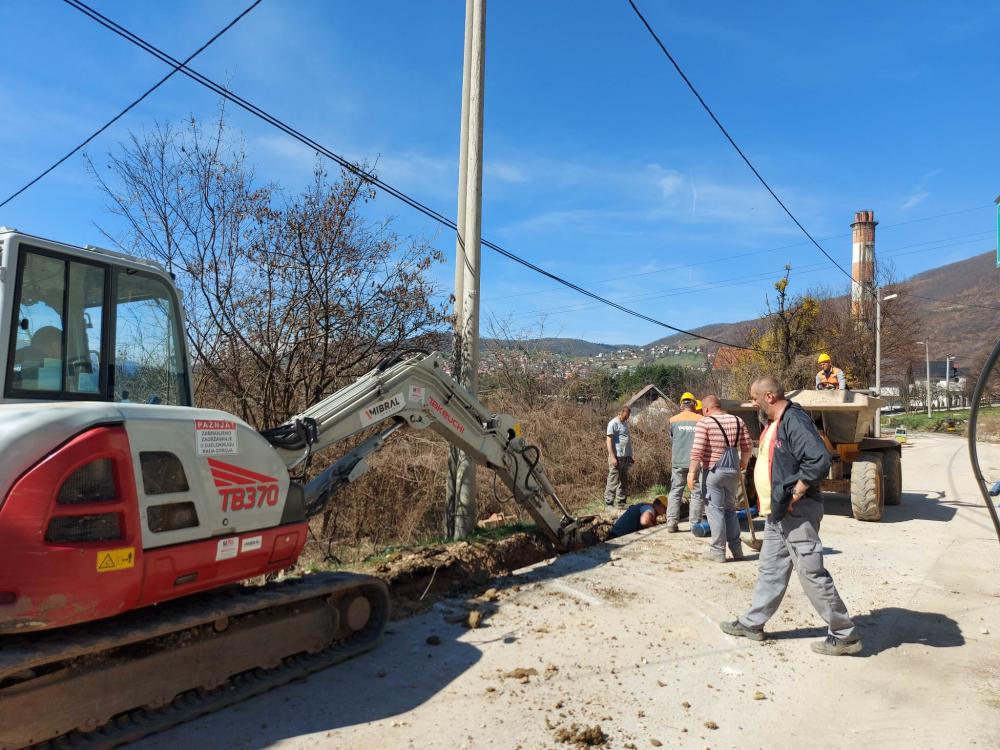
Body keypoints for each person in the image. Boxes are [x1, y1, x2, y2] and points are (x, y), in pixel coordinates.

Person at [719, 376, 862, 656]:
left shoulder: (794, 420)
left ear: (769, 396)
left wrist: (797, 491)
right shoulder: (776, 423)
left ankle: (844, 634)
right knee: (770, 569)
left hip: (797, 511)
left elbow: (818, 459)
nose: (753, 402)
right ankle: (753, 623)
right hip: (778, 512)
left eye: (755, 397)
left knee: (810, 571)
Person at [687, 395, 751, 562]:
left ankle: (717, 551)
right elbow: (747, 446)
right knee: (730, 510)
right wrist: (743, 462)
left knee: (715, 512)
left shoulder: (705, 422)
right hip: (733, 471)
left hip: (713, 472)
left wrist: (691, 473)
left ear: (707, 409)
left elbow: (697, 450)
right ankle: (737, 551)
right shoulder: (738, 421)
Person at [665, 392, 705, 533]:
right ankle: (694, 524)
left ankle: (671, 523)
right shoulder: (701, 419)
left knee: (675, 491)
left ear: (682, 405)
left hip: (678, 461)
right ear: (694, 404)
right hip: (696, 463)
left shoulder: (673, 420)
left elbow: (672, 438)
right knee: (696, 492)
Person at [604, 405, 633, 508]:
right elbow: (609, 441)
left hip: (625, 458)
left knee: (623, 481)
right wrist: (612, 457)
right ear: (621, 412)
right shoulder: (613, 423)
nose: (627, 417)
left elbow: (627, 441)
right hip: (616, 457)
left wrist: (630, 456)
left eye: (628, 416)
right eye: (626, 415)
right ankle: (609, 503)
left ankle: (621, 502)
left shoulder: (624, 424)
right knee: (613, 480)